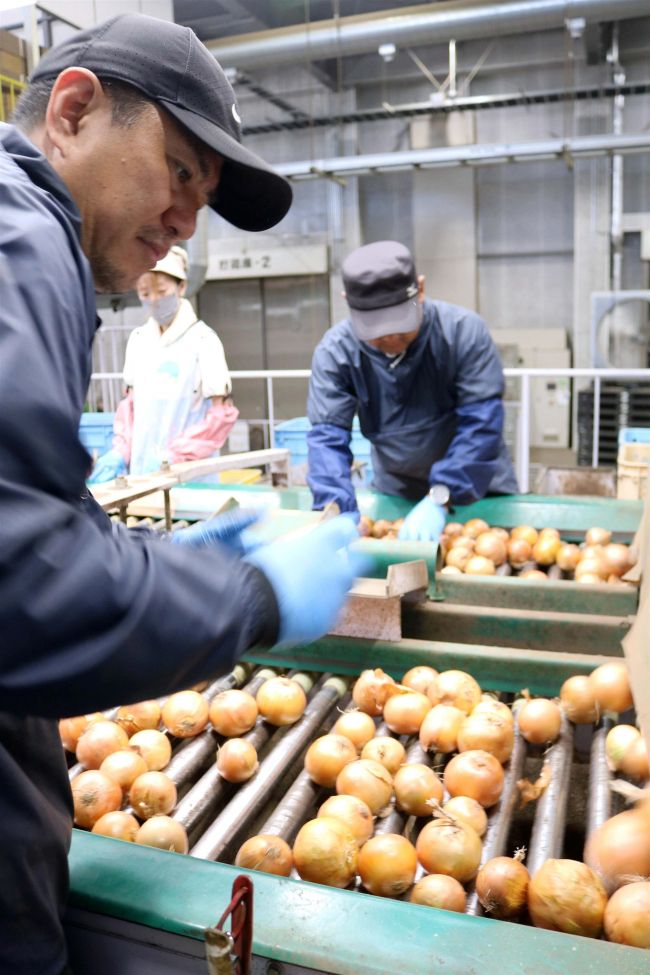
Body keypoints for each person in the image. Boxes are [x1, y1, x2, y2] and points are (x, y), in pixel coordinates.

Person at [0, 14, 364, 975]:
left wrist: (150, 562)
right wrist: (248, 595)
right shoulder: (21, 241)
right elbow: (16, 581)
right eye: (179, 171)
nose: (184, 221)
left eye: (201, 198)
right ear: (74, 111)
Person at [307, 240, 518, 542]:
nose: (391, 338)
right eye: (375, 329)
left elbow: (482, 423)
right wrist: (335, 509)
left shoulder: (462, 332)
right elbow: (327, 438)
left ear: (420, 289)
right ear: (348, 303)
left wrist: (441, 494)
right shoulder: (337, 351)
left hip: (475, 487)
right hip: (397, 491)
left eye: (400, 323)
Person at [89, 245, 238, 481]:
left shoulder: (203, 340)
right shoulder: (139, 340)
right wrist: (121, 451)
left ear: (182, 287)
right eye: (145, 293)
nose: (154, 300)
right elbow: (130, 409)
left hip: (190, 476)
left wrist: (175, 456)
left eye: (161, 291)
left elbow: (221, 417)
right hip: (143, 474)